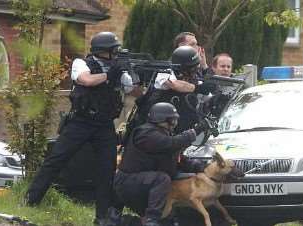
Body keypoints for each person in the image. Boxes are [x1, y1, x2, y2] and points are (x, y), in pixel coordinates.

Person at [25, 31, 133, 225]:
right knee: (56, 160)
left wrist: (132, 73)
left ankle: (102, 216)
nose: (115, 54)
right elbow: (86, 80)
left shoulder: (117, 68)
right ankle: (30, 201)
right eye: (113, 50)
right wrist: (110, 74)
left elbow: (132, 88)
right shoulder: (82, 63)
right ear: (103, 51)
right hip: (80, 122)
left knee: (106, 169)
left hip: (104, 125)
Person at [114, 102, 209, 226]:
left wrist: (201, 167)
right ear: (164, 119)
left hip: (145, 182)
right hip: (129, 183)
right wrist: (195, 131)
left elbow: (177, 157)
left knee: (168, 220)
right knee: (162, 179)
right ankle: (151, 221)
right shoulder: (146, 133)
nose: (175, 123)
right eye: (173, 119)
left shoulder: (163, 134)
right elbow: (171, 144)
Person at [135, 46, 216, 133]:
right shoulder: (165, 72)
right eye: (192, 69)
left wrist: (205, 67)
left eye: (197, 67)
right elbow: (175, 85)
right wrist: (197, 88)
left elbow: (209, 95)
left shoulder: (196, 81)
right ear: (183, 68)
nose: (195, 72)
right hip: (156, 132)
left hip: (184, 134)